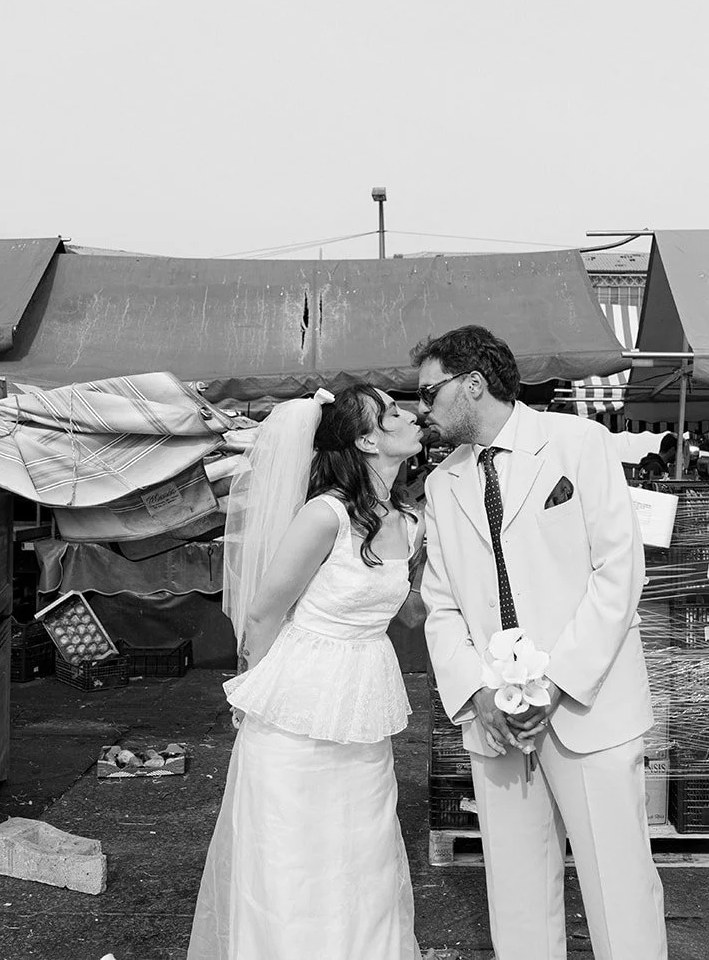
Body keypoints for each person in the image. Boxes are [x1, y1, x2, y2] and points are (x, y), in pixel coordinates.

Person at [413, 325, 667, 960]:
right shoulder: (443, 483)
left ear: (473, 383)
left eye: (428, 393)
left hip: (588, 706)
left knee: (619, 885)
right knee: (516, 890)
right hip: (495, 720)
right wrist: (477, 694)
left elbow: (619, 573)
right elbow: (440, 604)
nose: (422, 409)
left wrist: (555, 683)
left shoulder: (577, 442)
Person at [187, 384, 426, 959]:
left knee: (364, 851)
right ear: (367, 439)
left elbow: (412, 612)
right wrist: (251, 699)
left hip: (364, 699)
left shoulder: (410, 521)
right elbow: (264, 612)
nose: (411, 414)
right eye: (392, 412)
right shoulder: (324, 516)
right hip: (296, 706)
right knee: (293, 856)